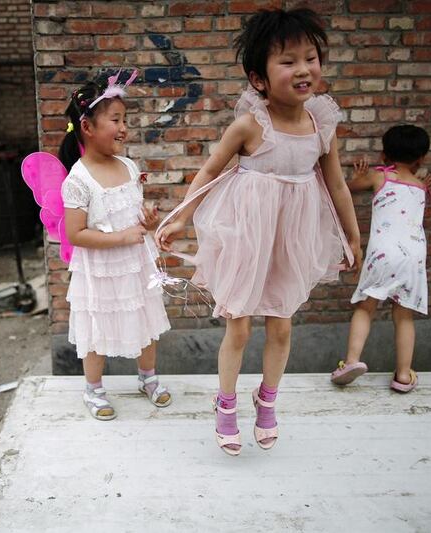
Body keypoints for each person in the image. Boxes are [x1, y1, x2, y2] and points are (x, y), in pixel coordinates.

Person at [155, 8, 361, 455]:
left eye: (311, 57)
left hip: (293, 235)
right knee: (241, 327)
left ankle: (267, 399)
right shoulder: (252, 124)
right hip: (248, 232)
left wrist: (352, 234)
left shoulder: (321, 124)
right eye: (288, 61)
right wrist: (181, 216)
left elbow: (337, 184)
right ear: (259, 78)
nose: (304, 68)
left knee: (282, 327)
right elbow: (211, 169)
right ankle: (225, 403)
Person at [59, 73, 172, 420]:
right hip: (101, 269)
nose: (124, 128)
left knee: (145, 316)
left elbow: (132, 215)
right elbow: (76, 234)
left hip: (134, 263)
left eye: (125, 120)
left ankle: (148, 378)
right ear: (88, 127)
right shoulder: (78, 179)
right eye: (116, 120)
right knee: (98, 327)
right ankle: (93, 390)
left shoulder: (128, 166)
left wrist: (146, 222)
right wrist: (119, 238)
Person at [330, 125, 431, 393]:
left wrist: (358, 176)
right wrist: (420, 183)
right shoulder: (421, 186)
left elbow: (345, 189)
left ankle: (351, 361)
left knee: (367, 307)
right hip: (414, 257)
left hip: (383, 253)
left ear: (385, 154)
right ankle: (402, 375)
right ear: (421, 159)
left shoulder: (379, 177)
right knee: (404, 316)